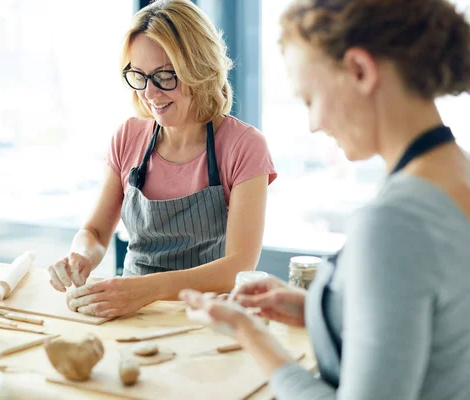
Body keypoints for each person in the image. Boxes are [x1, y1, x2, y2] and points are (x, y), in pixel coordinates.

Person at [180, 0, 470, 398]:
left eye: (310, 99)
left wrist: (251, 335)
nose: (314, 125)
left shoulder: (394, 223)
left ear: (359, 71)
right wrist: (318, 311)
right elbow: (439, 332)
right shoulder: (458, 175)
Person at [47, 0, 276, 318]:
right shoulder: (128, 136)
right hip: (129, 309)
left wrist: (147, 289)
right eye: (138, 76)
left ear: (199, 69)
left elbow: (238, 266)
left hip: (208, 317)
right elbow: (96, 233)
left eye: (165, 77)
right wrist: (80, 257)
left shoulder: (244, 145)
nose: (150, 94)